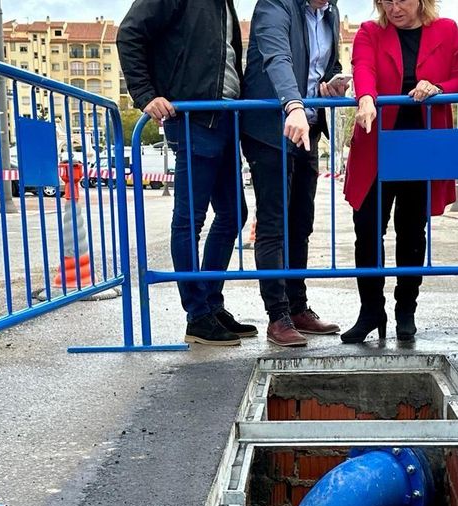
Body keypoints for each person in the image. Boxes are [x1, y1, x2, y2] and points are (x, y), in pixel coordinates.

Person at [117, 0, 255, 346]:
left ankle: (209, 303)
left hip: (222, 116)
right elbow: (129, 33)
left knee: (234, 213)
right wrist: (146, 95)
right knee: (189, 219)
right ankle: (197, 314)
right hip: (193, 117)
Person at [342, 0, 458, 343]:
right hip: (377, 145)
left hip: (421, 146)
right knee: (367, 230)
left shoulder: (445, 29)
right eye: (386, 0)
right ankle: (370, 311)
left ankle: (405, 311)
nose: (394, 7)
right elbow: (363, 68)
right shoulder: (371, 31)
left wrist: (438, 87)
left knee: (411, 233)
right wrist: (366, 97)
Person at [241, 0, 349, 347]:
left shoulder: (329, 14)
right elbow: (278, 59)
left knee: (301, 221)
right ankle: (278, 316)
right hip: (272, 128)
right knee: (274, 225)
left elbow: (324, 66)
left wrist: (332, 84)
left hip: (308, 128)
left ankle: (299, 307)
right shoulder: (276, 6)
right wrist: (294, 104)